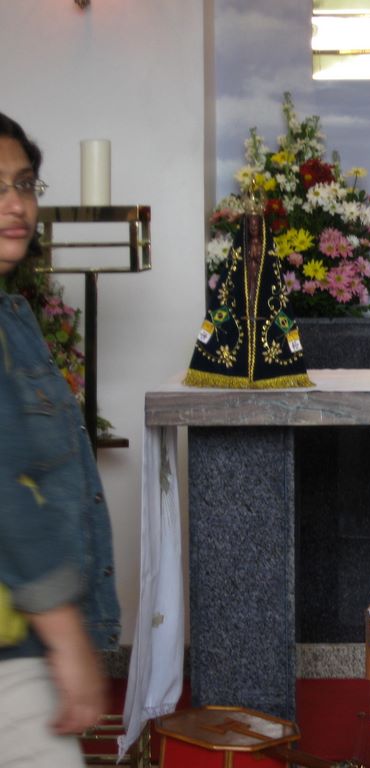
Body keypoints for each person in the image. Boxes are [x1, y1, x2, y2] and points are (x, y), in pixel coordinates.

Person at [0, 112, 120, 766]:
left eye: (25, 183)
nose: (17, 204)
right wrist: (68, 635)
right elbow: (5, 486)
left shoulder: (12, 314)